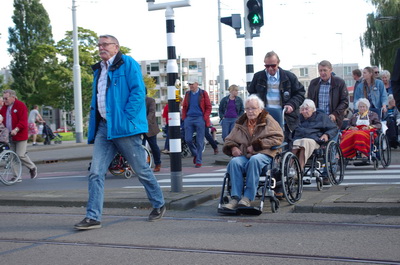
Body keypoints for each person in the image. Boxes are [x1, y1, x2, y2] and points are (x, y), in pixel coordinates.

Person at [74, 35, 165, 230]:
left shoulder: (128, 63)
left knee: (141, 170)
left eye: (105, 44)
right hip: (104, 127)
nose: (101, 48)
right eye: (99, 45)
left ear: (116, 47)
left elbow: (138, 92)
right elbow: (98, 97)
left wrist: (126, 118)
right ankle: (93, 217)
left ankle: (158, 203)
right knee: (95, 172)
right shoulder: (99, 68)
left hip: (124, 128)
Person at [221, 95, 284, 210]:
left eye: (253, 108)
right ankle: (235, 198)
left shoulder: (268, 120)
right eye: (247, 108)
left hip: (265, 154)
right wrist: (233, 148)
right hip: (245, 155)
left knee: (255, 160)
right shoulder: (241, 122)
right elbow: (229, 139)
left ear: (260, 109)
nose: (250, 111)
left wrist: (256, 146)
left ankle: (247, 197)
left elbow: (278, 138)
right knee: (234, 162)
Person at [248, 51, 305, 146]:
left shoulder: (289, 77)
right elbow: (252, 93)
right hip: (265, 115)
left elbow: (300, 93)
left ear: (278, 63)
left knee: (285, 142)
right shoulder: (258, 77)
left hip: (285, 116)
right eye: (267, 66)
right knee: (265, 141)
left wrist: (292, 105)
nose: (270, 69)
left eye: (273, 66)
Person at [0, 89, 37, 180]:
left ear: (13, 97)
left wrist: (16, 129)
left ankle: (32, 167)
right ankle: (17, 176)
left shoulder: (20, 105)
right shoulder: (5, 107)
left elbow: (23, 121)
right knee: (12, 156)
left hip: (20, 135)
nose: (4, 100)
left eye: (6, 98)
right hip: (10, 135)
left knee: (20, 154)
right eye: (3, 98)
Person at [291, 99, 338, 170]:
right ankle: (290, 168)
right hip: (299, 140)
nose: (304, 111)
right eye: (302, 109)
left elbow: (334, 128)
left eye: (306, 109)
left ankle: (299, 170)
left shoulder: (322, 117)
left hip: (315, 140)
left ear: (313, 109)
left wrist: (326, 134)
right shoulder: (298, 118)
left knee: (304, 142)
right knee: (295, 143)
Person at [307, 60, 349, 131]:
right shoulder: (313, 83)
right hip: (317, 120)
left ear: (331, 70)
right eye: (320, 70)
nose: (322, 73)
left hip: (333, 120)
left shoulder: (339, 83)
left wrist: (335, 114)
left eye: (325, 70)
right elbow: (309, 101)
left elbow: (344, 102)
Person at [181, 80, 212, 168]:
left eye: (192, 84)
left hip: (200, 118)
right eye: (189, 84)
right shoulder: (187, 94)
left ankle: (199, 160)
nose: (191, 86)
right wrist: (184, 118)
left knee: (199, 141)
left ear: (197, 84)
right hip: (189, 118)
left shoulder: (203, 93)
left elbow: (208, 106)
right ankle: (195, 154)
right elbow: (185, 107)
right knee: (188, 139)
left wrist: (204, 118)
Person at [143, 95, 162, 172]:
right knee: (139, 146)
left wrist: (146, 122)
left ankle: (158, 163)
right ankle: (140, 164)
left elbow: (151, 112)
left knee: (153, 146)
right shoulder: (136, 100)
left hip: (150, 127)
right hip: (139, 128)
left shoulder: (150, 100)